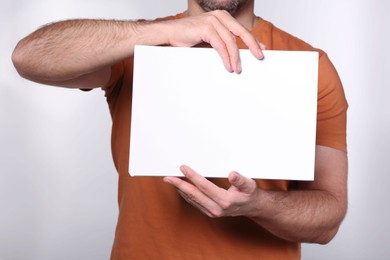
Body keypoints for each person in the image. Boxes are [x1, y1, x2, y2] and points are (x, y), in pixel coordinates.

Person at [12, 0, 348, 259]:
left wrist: (258, 204)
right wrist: (156, 33)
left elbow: (328, 220)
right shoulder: (136, 49)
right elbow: (28, 57)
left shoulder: (311, 66)